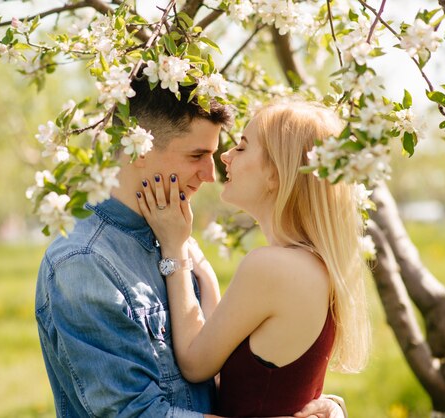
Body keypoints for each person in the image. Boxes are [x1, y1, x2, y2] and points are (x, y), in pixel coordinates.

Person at [35, 74, 348, 417]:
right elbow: (135, 413)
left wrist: (321, 405)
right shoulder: (85, 262)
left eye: (218, 152)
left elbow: (222, 383)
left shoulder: (178, 243)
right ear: (136, 147)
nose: (212, 173)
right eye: (197, 155)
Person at [137, 101, 370, 417]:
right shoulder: (317, 266)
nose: (225, 156)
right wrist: (200, 269)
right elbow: (243, 373)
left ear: (276, 173)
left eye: (243, 148)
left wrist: (174, 251)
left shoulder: (272, 267)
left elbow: (195, 364)